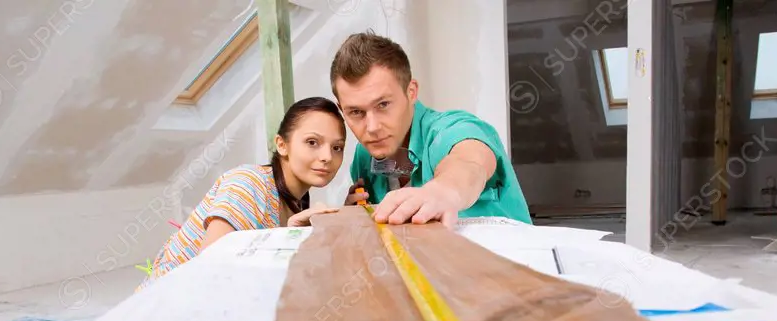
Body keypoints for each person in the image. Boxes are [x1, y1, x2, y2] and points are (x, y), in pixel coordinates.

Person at [138, 96, 346, 288]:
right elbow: (211, 270)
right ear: (282, 145)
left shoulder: (298, 202)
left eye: (337, 147)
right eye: (312, 142)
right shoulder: (247, 184)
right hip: (166, 308)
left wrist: (346, 214)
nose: (327, 156)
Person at [329, 32, 532, 228]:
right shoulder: (365, 156)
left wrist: (445, 191)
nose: (372, 128)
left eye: (383, 105)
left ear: (411, 92)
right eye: (356, 112)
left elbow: (470, 162)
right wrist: (356, 218)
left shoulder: (450, 129)